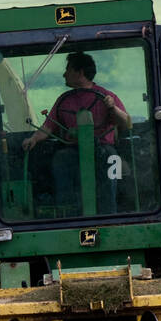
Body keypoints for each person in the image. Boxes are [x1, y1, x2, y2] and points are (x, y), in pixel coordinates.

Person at [20, 52, 131, 213]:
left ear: (80, 73)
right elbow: (48, 126)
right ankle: (68, 212)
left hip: (103, 148)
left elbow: (127, 122)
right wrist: (34, 139)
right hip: (74, 149)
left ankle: (109, 213)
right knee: (61, 158)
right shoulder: (64, 99)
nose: (64, 74)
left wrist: (113, 108)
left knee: (112, 159)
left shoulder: (107, 97)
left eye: (68, 69)